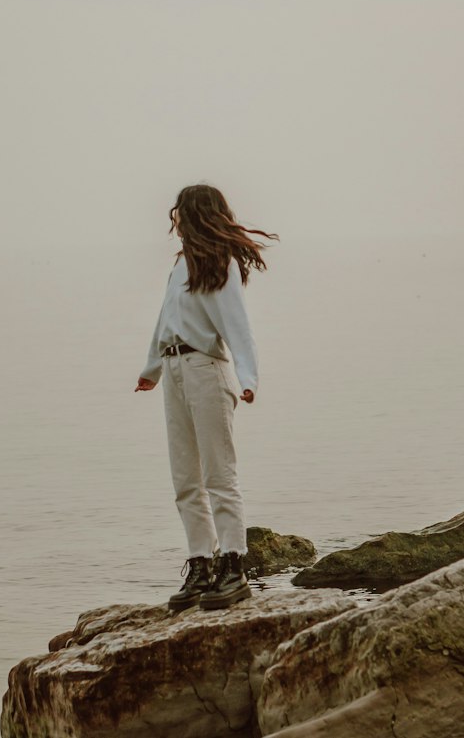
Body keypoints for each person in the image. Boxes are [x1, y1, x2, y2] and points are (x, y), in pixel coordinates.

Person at [135, 183, 278, 611]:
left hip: (206, 371)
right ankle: (200, 564)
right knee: (184, 479)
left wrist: (249, 377)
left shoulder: (222, 263)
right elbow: (165, 320)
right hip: (176, 368)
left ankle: (233, 566)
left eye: (179, 211)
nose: (174, 218)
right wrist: (152, 370)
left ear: (196, 214)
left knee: (219, 474)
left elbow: (238, 324)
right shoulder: (179, 266)